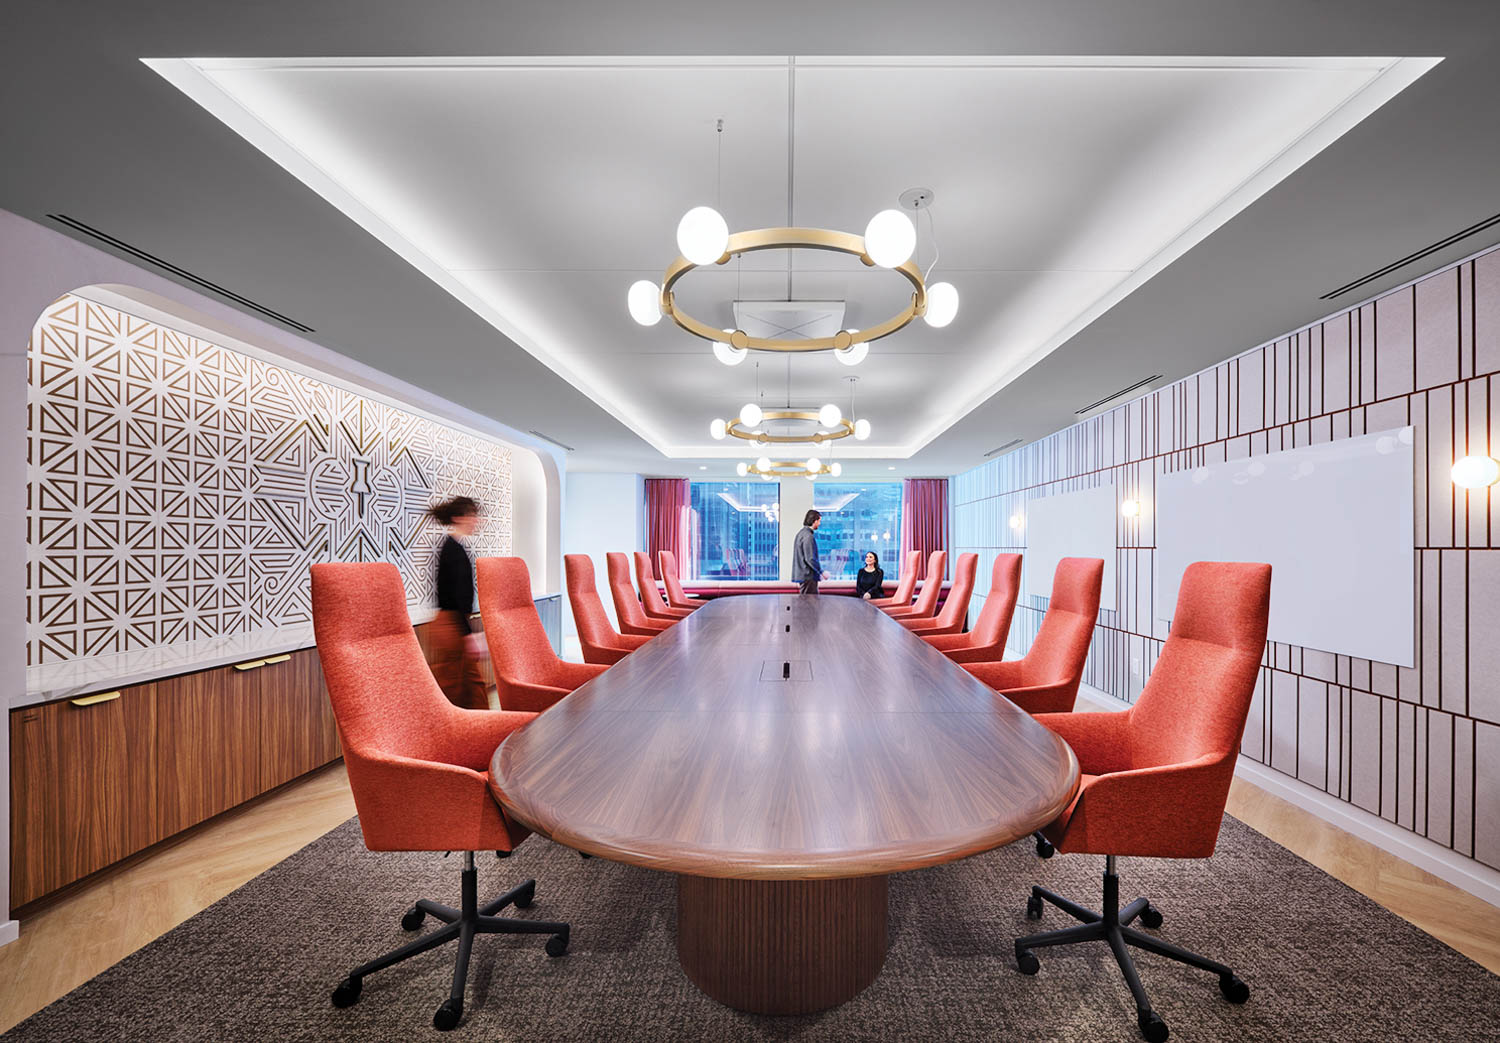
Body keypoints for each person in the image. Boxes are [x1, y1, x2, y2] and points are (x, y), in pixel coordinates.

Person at [428, 495, 489, 710]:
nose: (476, 521)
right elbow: (454, 599)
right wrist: (469, 635)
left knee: (462, 685)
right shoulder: (452, 550)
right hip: (451, 625)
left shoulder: (455, 547)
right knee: (460, 685)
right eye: (472, 516)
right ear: (458, 518)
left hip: (452, 624)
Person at [792, 509, 827, 595]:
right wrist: (821, 571)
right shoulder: (808, 536)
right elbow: (810, 558)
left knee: (806, 603)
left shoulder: (801, 534)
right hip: (808, 577)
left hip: (804, 576)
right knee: (810, 605)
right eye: (819, 521)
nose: (819, 524)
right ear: (814, 521)